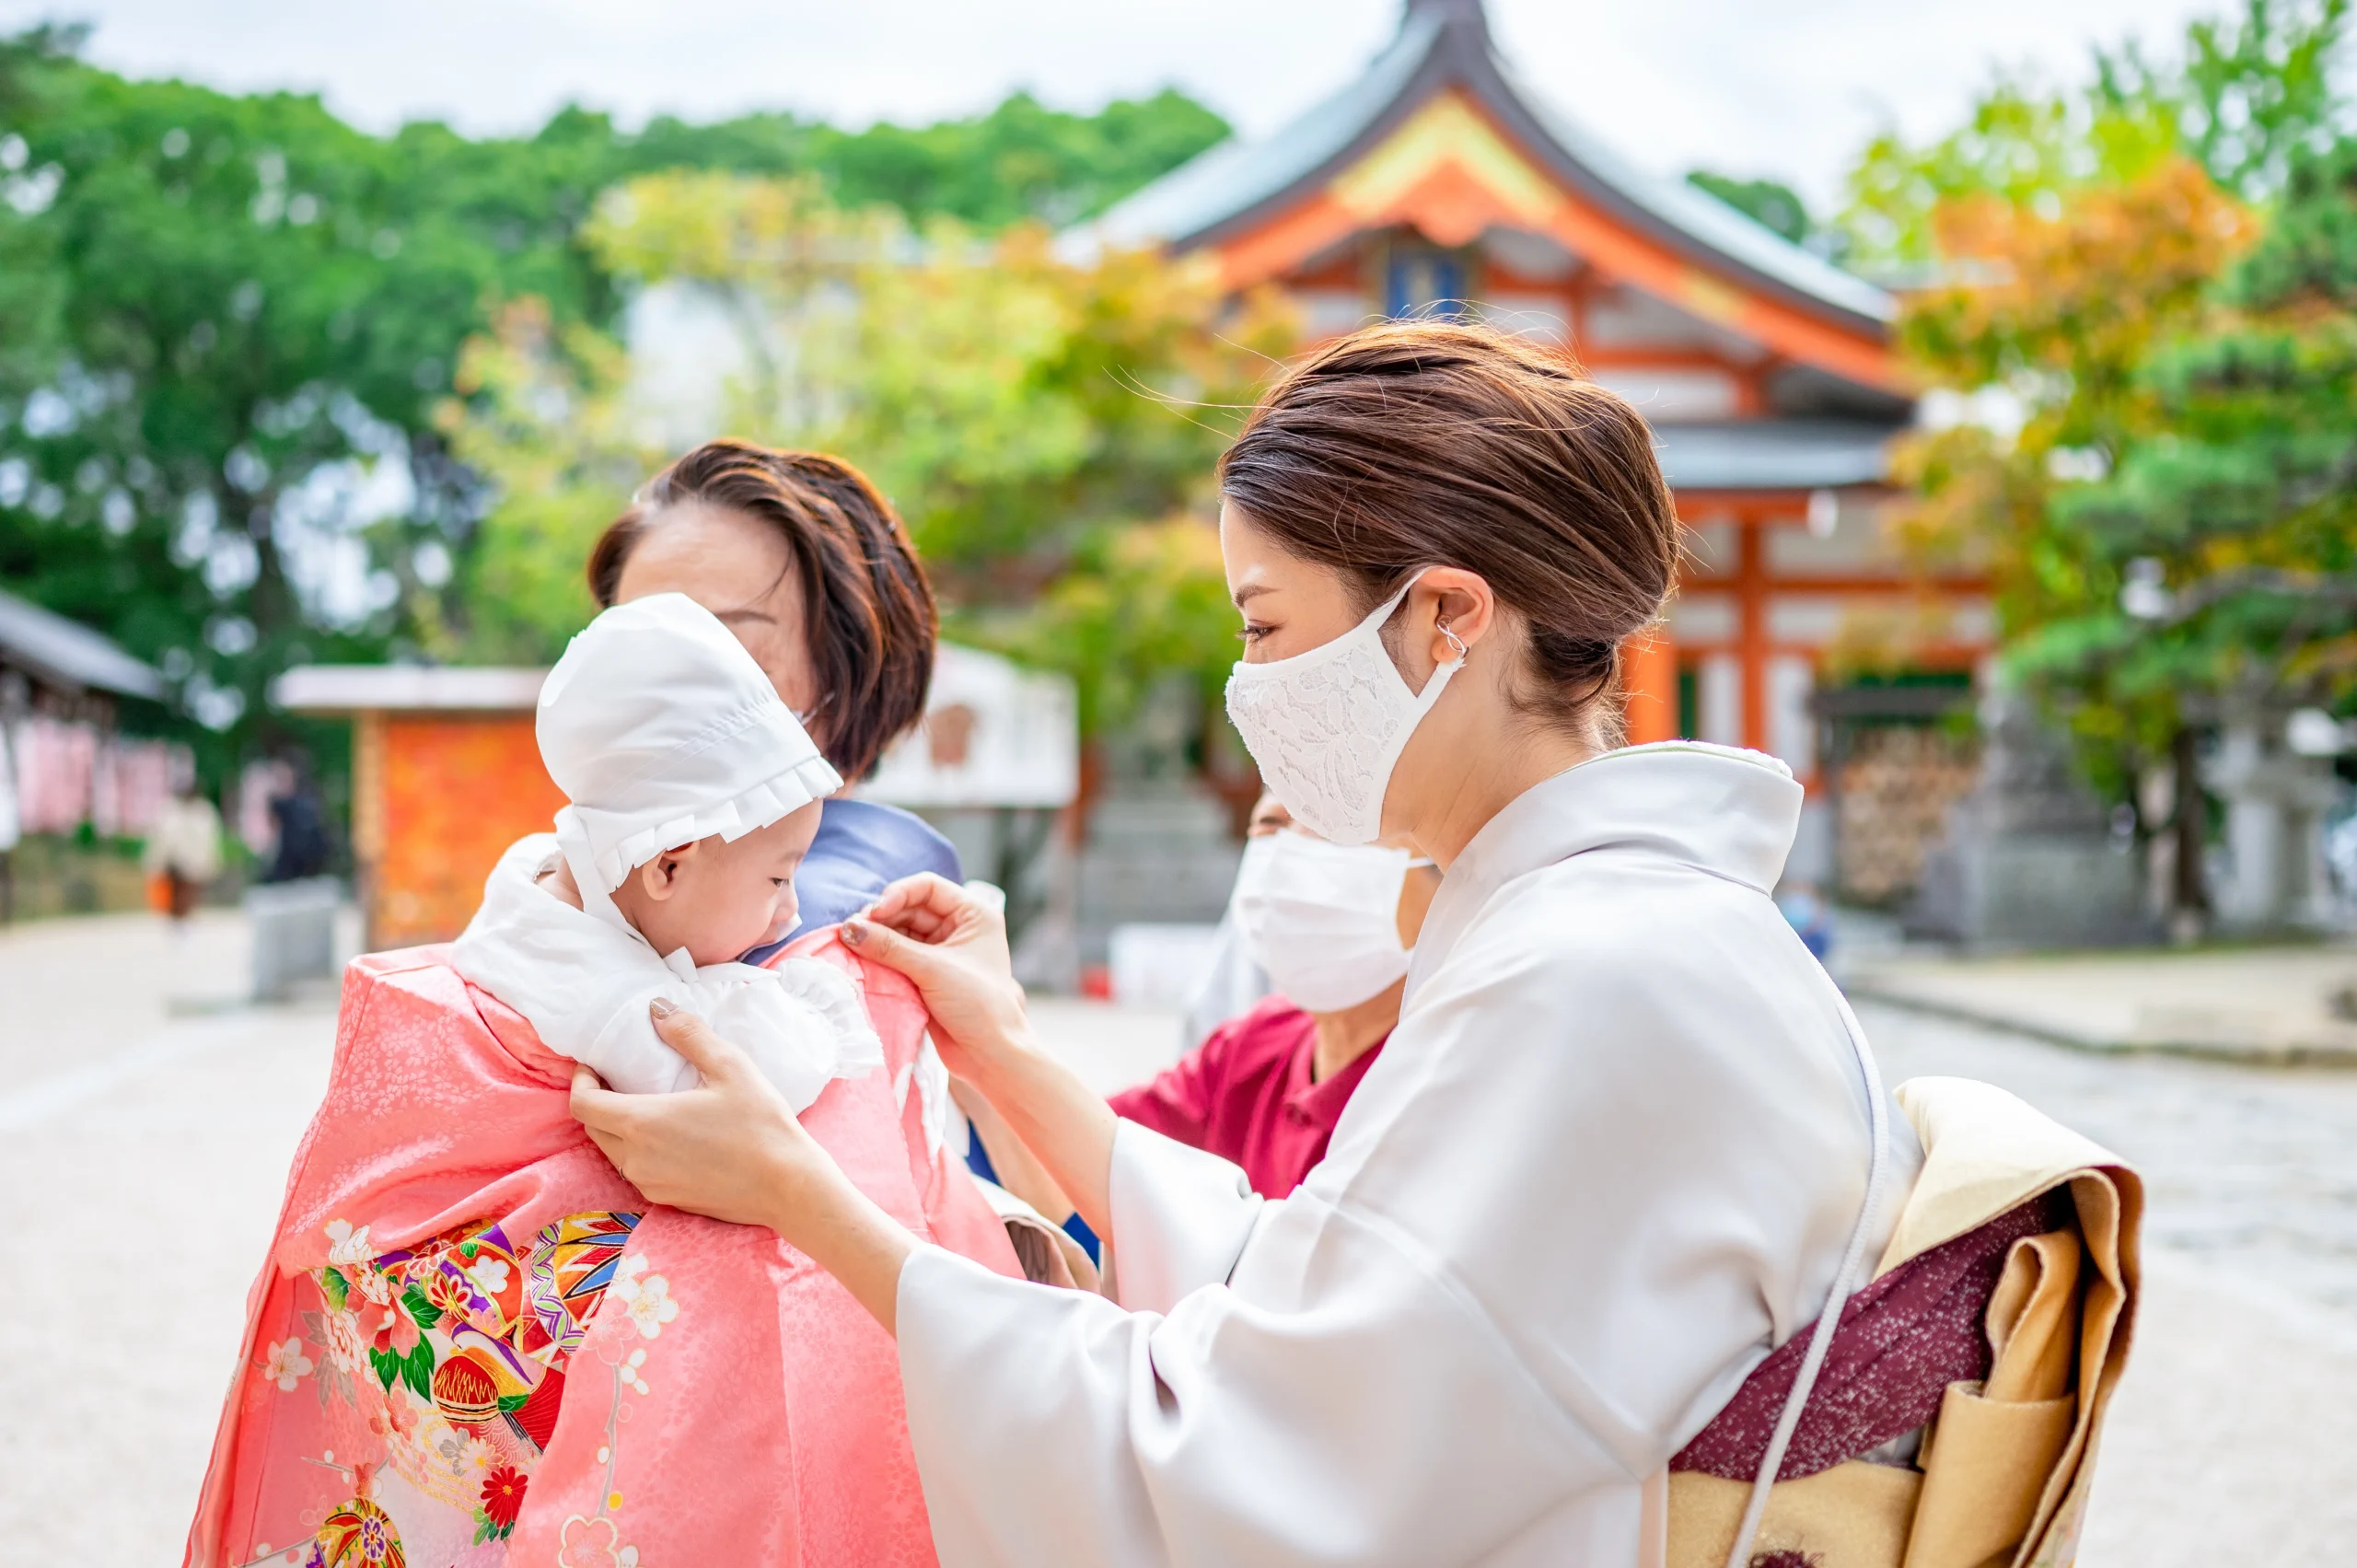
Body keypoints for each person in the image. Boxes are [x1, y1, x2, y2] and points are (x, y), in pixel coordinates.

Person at [572, 321, 1933, 1565]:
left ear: (1449, 618)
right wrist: (1008, 1056)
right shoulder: (1618, 936)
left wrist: (802, 1195)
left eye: (1267, 625)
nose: (1252, 689)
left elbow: (1242, 1465)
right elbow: (1332, 1301)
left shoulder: (1591, 979)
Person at [970, 795, 1440, 1223]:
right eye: (1271, 824)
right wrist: (981, 1034)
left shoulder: (1442, 1082)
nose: (1291, 851)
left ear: (1438, 871)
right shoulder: (1253, 1048)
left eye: (1330, 826)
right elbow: (1086, 1164)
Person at [587, 439, 960, 956]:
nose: (659, 697)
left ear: (857, 676)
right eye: (631, 654)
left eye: (728, 658)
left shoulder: (822, 931)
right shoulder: (602, 875)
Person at [144, 776, 223, 924]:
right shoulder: (168, 810)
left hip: (195, 864)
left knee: (189, 891)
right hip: (172, 863)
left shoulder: (204, 812)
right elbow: (160, 838)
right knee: (175, 893)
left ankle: (185, 918)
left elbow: (209, 841)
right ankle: (175, 919)